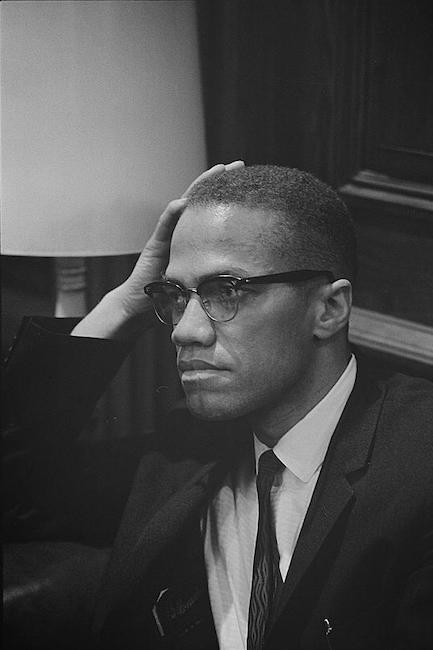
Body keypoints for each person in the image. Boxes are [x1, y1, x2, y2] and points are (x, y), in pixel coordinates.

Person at [3, 163, 433, 650]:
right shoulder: (179, 454)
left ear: (329, 309)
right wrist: (122, 305)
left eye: (226, 290)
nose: (184, 331)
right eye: (174, 296)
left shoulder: (420, 463)